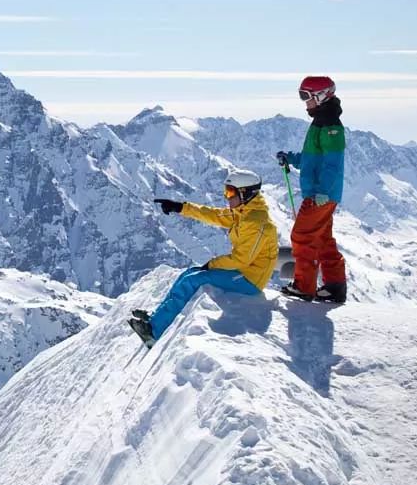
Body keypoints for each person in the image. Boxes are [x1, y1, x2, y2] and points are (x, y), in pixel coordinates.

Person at [131, 170, 279, 345]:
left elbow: (241, 260)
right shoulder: (243, 212)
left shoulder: (255, 221)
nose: (227, 196)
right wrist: (180, 207)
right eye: (226, 191)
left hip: (249, 278)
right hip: (241, 271)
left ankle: (153, 333)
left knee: (195, 279)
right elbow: (214, 214)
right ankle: (156, 318)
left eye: (230, 192)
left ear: (245, 193)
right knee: (188, 274)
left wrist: (212, 264)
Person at [276, 75, 347, 304]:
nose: (304, 101)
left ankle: (304, 286)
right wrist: (292, 159)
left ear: (321, 96)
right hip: (319, 193)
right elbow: (312, 158)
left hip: (320, 195)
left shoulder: (330, 126)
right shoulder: (321, 122)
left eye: (306, 96)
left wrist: (322, 192)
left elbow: (332, 163)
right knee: (323, 239)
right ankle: (335, 287)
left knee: (302, 236)